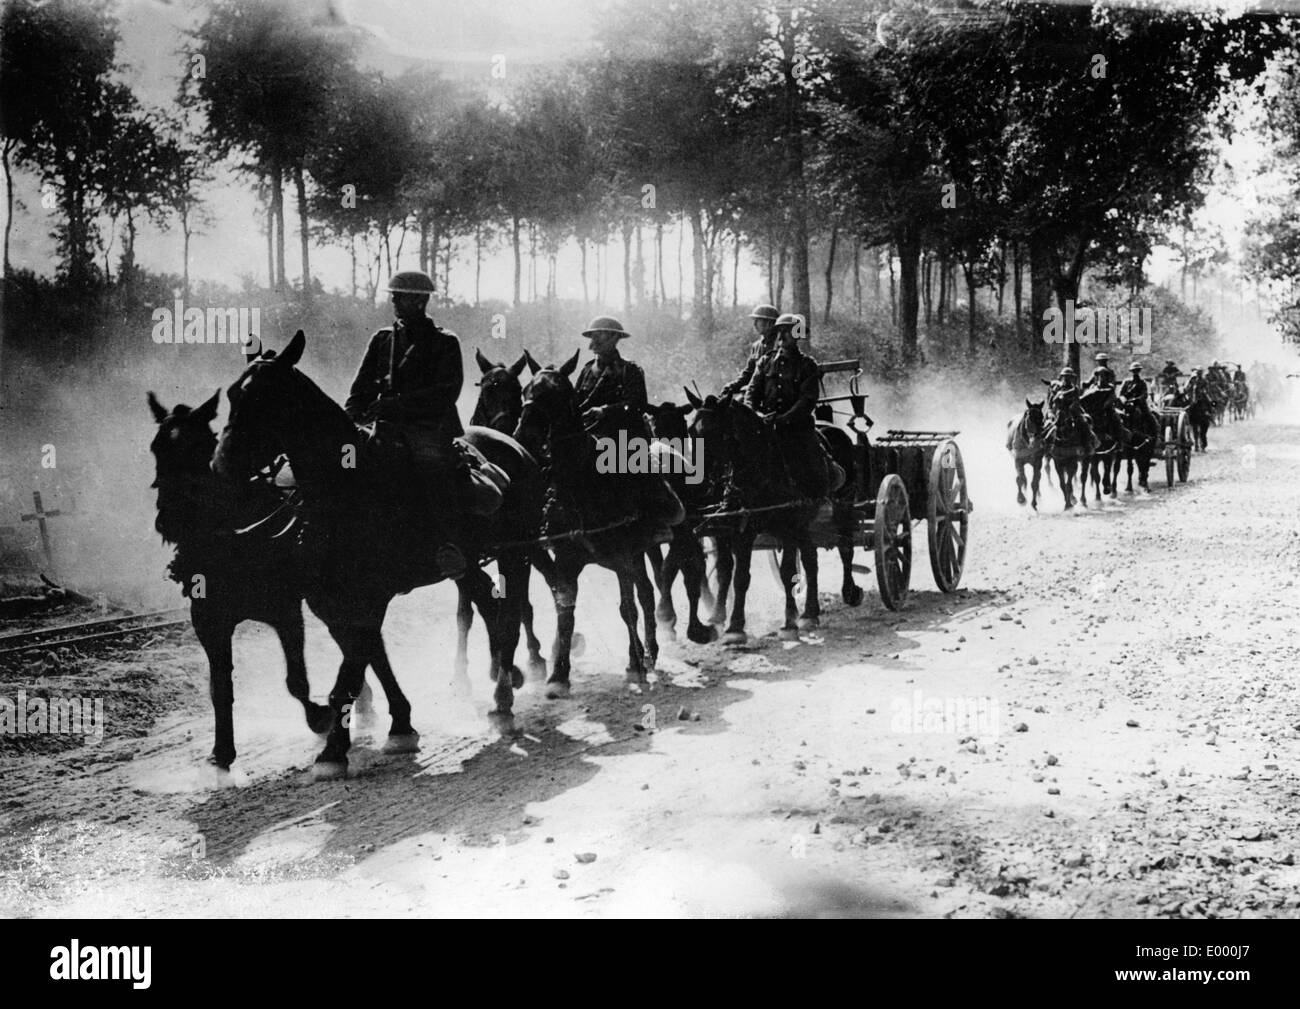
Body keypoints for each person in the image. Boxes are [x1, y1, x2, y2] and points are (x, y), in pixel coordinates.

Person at [345, 270, 468, 578]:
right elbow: (361, 389)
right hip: (384, 427)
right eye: (394, 295)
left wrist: (398, 404)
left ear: (420, 300)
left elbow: (446, 392)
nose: (394, 301)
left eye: (400, 296)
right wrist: (349, 418)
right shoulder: (383, 339)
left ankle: (448, 546)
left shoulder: (444, 342)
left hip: (428, 428)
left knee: (433, 470)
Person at [574, 316, 678, 539]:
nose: (595, 339)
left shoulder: (630, 370)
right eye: (593, 334)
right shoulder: (585, 371)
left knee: (639, 474)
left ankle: (656, 522)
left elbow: (637, 404)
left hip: (624, 435)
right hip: (590, 433)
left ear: (614, 338)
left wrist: (604, 411)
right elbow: (575, 402)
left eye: (600, 334)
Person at [744, 313, 830, 500]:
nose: (782, 336)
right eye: (779, 332)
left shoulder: (807, 365)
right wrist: (756, 415)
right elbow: (751, 393)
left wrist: (784, 419)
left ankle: (818, 500)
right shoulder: (765, 362)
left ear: (798, 335)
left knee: (814, 463)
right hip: (765, 427)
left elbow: (807, 401)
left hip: (797, 428)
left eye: (788, 332)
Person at [720, 304, 779, 397]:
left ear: (769, 323)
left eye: (758, 320)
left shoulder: (781, 345)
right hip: (754, 393)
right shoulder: (757, 346)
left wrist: (752, 388)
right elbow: (748, 373)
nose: (754, 324)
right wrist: (731, 386)